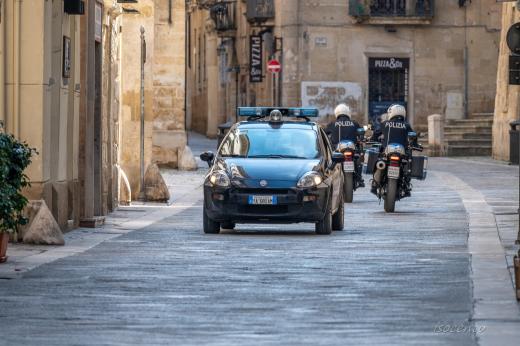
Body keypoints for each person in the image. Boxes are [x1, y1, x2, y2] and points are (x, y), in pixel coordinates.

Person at [325, 103, 365, 187]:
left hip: (337, 150)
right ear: (348, 112)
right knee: (359, 160)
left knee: (329, 163)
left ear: (337, 113)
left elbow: (324, 133)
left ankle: (329, 175)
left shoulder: (332, 123)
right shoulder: (354, 123)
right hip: (352, 149)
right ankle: (359, 178)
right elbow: (361, 134)